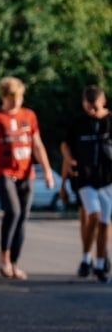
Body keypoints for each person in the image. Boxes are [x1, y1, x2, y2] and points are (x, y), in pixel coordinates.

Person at [0, 77, 54, 280]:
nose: (16, 102)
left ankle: (14, 262)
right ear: (3, 97)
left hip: (26, 173)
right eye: (12, 98)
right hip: (3, 171)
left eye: (19, 98)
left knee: (22, 218)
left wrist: (47, 170)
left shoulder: (29, 115)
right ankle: (3, 255)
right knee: (12, 211)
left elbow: (37, 144)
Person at [60, 85, 112, 283]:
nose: (92, 112)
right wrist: (68, 166)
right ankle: (85, 258)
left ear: (103, 102)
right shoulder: (79, 122)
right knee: (93, 215)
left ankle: (100, 264)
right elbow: (65, 145)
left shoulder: (110, 121)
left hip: (107, 179)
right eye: (88, 107)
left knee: (105, 222)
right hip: (85, 178)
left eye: (95, 108)